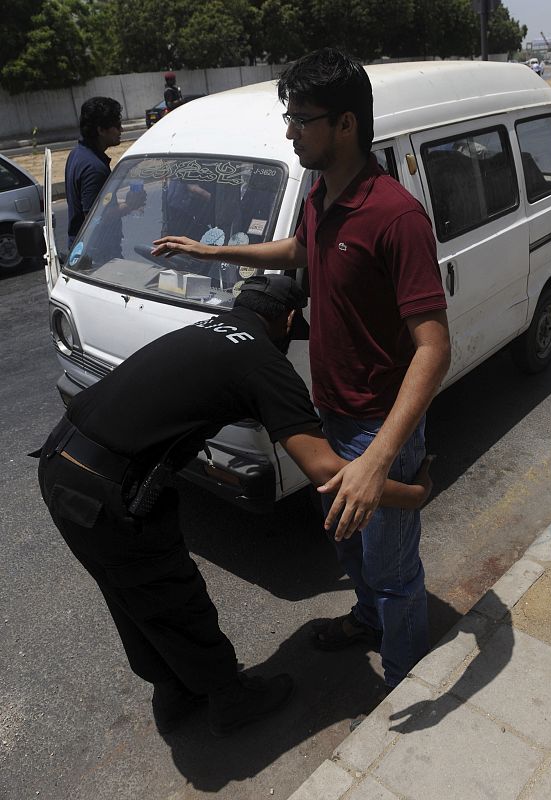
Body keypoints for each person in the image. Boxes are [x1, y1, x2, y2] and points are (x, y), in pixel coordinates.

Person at [151, 48, 452, 690]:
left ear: (345, 125)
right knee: (347, 542)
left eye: (300, 119)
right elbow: (299, 249)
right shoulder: (321, 195)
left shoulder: (395, 216)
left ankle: (405, 674)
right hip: (333, 414)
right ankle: (370, 621)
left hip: (380, 430)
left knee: (393, 565)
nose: (289, 131)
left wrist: (378, 461)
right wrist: (216, 249)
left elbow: (434, 347)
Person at [35, 275, 434, 737]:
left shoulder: (204, 329)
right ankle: (229, 699)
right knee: (173, 594)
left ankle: (175, 692)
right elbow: (325, 471)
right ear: (286, 320)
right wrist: (414, 494)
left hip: (60, 463)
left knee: (130, 595)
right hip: (106, 489)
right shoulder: (262, 361)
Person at [65, 97, 142, 252]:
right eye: (117, 125)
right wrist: (130, 206)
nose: (121, 130)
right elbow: (94, 218)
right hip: (96, 253)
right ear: (100, 130)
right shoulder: (94, 168)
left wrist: (119, 201)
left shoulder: (77, 154)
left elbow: (93, 203)